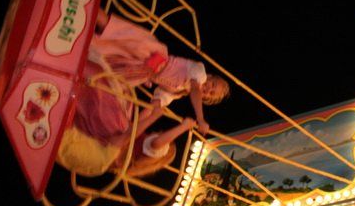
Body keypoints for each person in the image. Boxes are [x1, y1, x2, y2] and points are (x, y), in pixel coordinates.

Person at [55, 12, 230, 177]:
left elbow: (155, 105)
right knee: (120, 36)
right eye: (213, 85)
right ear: (210, 77)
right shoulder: (198, 73)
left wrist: (139, 121)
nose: (208, 89)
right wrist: (200, 119)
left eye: (210, 94)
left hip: (140, 71)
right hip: (152, 56)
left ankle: (65, 59)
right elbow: (195, 90)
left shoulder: (178, 91)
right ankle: (86, 9)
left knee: (105, 75)